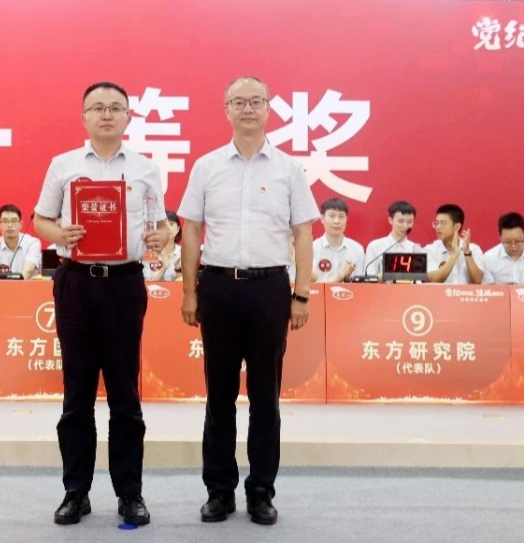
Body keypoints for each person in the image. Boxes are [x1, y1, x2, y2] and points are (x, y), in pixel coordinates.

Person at [179, 76, 318, 526]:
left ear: (269, 108)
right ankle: (219, 491)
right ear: (226, 110)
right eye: (238, 102)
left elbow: (302, 234)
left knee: (265, 397)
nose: (247, 109)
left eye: (255, 101)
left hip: (269, 289)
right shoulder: (207, 166)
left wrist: (301, 295)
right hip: (218, 287)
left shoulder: (289, 169)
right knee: (218, 395)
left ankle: (261, 491)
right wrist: (189, 290)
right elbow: (191, 231)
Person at [33, 81, 167, 527]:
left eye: (115, 108)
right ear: (84, 118)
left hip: (124, 285)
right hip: (76, 283)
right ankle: (76, 490)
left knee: (125, 395)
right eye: (98, 108)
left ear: (128, 116)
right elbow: (40, 219)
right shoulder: (64, 165)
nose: (107, 114)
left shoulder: (145, 169)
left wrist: (159, 238)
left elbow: (161, 226)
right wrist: (60, 235)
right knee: (77, 394)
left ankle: (130, 493)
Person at [481, 212, 524, 285]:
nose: (513, 246)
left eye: (518, 241)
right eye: (508, 242)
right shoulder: (488, 259)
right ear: (500, 236)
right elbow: (489, 289)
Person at [424, 204, 484, 284]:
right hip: (440, 292)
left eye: (443, 223)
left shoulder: (474, 249)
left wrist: (467, 253)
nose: (438, 227)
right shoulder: (430, 250)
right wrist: (454, 255)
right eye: (436, 223)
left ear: (457, 227)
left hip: (464, 292)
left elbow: (477, 280)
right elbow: (434, 279)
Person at [362, 201, 421, 278]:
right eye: (400, 221)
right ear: (390, 220)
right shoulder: (375, 246)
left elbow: (419, 279)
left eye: (409, 222)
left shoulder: (416, 249)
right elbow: (368, 277)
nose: (405, 226)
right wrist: (387, 275)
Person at [312, 198, 364, 283]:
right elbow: (308, 285)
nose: (337, 221)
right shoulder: (312, 248)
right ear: (322, 218)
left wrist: (348, 279)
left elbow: (361, 284)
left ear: (346, 219)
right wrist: (338, 278)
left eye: (341, 217)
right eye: (332, 216)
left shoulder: (357, 249)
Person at [0, 204, 41, 280]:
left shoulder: (32, 243)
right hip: (2, 287)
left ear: (21, 224)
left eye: (14, 221)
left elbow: (27, 272)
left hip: (28, 286)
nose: (10, 225)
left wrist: (14, 287)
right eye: (5, 221)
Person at [144, 211, 182, 281]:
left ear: (178, 229)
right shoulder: (149, 253)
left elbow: (184, 284)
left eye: (171, 224)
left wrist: (178, 270)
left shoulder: (182, 253)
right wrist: (163, 269)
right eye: (165, 225)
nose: (168, 228)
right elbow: (147, 284)